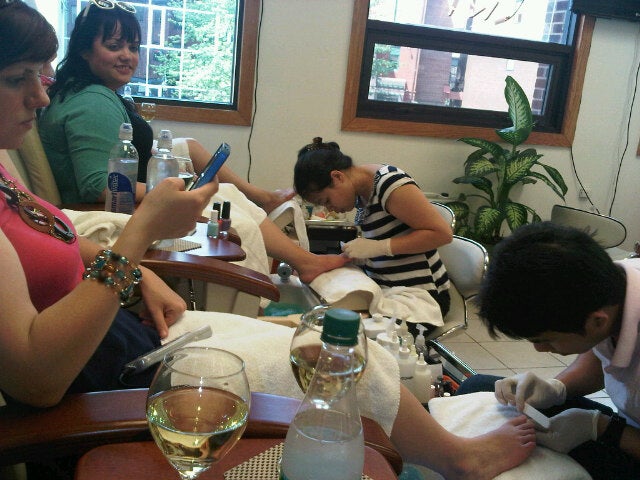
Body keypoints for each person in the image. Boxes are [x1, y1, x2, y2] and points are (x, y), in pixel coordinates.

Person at [1, 4, 539, 479]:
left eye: (40, 76)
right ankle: (460, 460)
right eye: (18, 78)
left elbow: (56, 236)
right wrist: (141, 235)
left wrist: (139, 273)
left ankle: (289, 263)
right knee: (342, 354)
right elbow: (38, 379)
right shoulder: (93, 103)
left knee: (324, 334)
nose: (40, 96)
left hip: (133, 335)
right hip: (121, 375)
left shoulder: (8, 176)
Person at [38, 1, 345, 283]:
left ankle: (285, 234)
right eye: (114, 46)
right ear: (84, 50)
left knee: (203, 166)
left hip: (123, 197)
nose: (127, 56)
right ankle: (301, 262)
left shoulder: (94, 92)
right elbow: (99, 187)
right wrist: (177, 192)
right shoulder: (92, 101)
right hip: (110, 209)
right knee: (222, 198)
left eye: (133, 47)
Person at [456, 221, 640, 480]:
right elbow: (602, 352)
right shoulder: (612, 286)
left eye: (547, 340)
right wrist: (558, 388)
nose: (540, 349)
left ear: (597, 321)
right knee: (478, 388)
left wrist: (600, 428)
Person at [294, 137, 453, 330]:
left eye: (326, 200)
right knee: (319, 317)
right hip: (386, 289)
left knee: (344, 333)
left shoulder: (390, 184)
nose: (330, 209)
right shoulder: (362, 193)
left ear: (337, 177)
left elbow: (442, 234)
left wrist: (380, 247)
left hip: (422, 297)